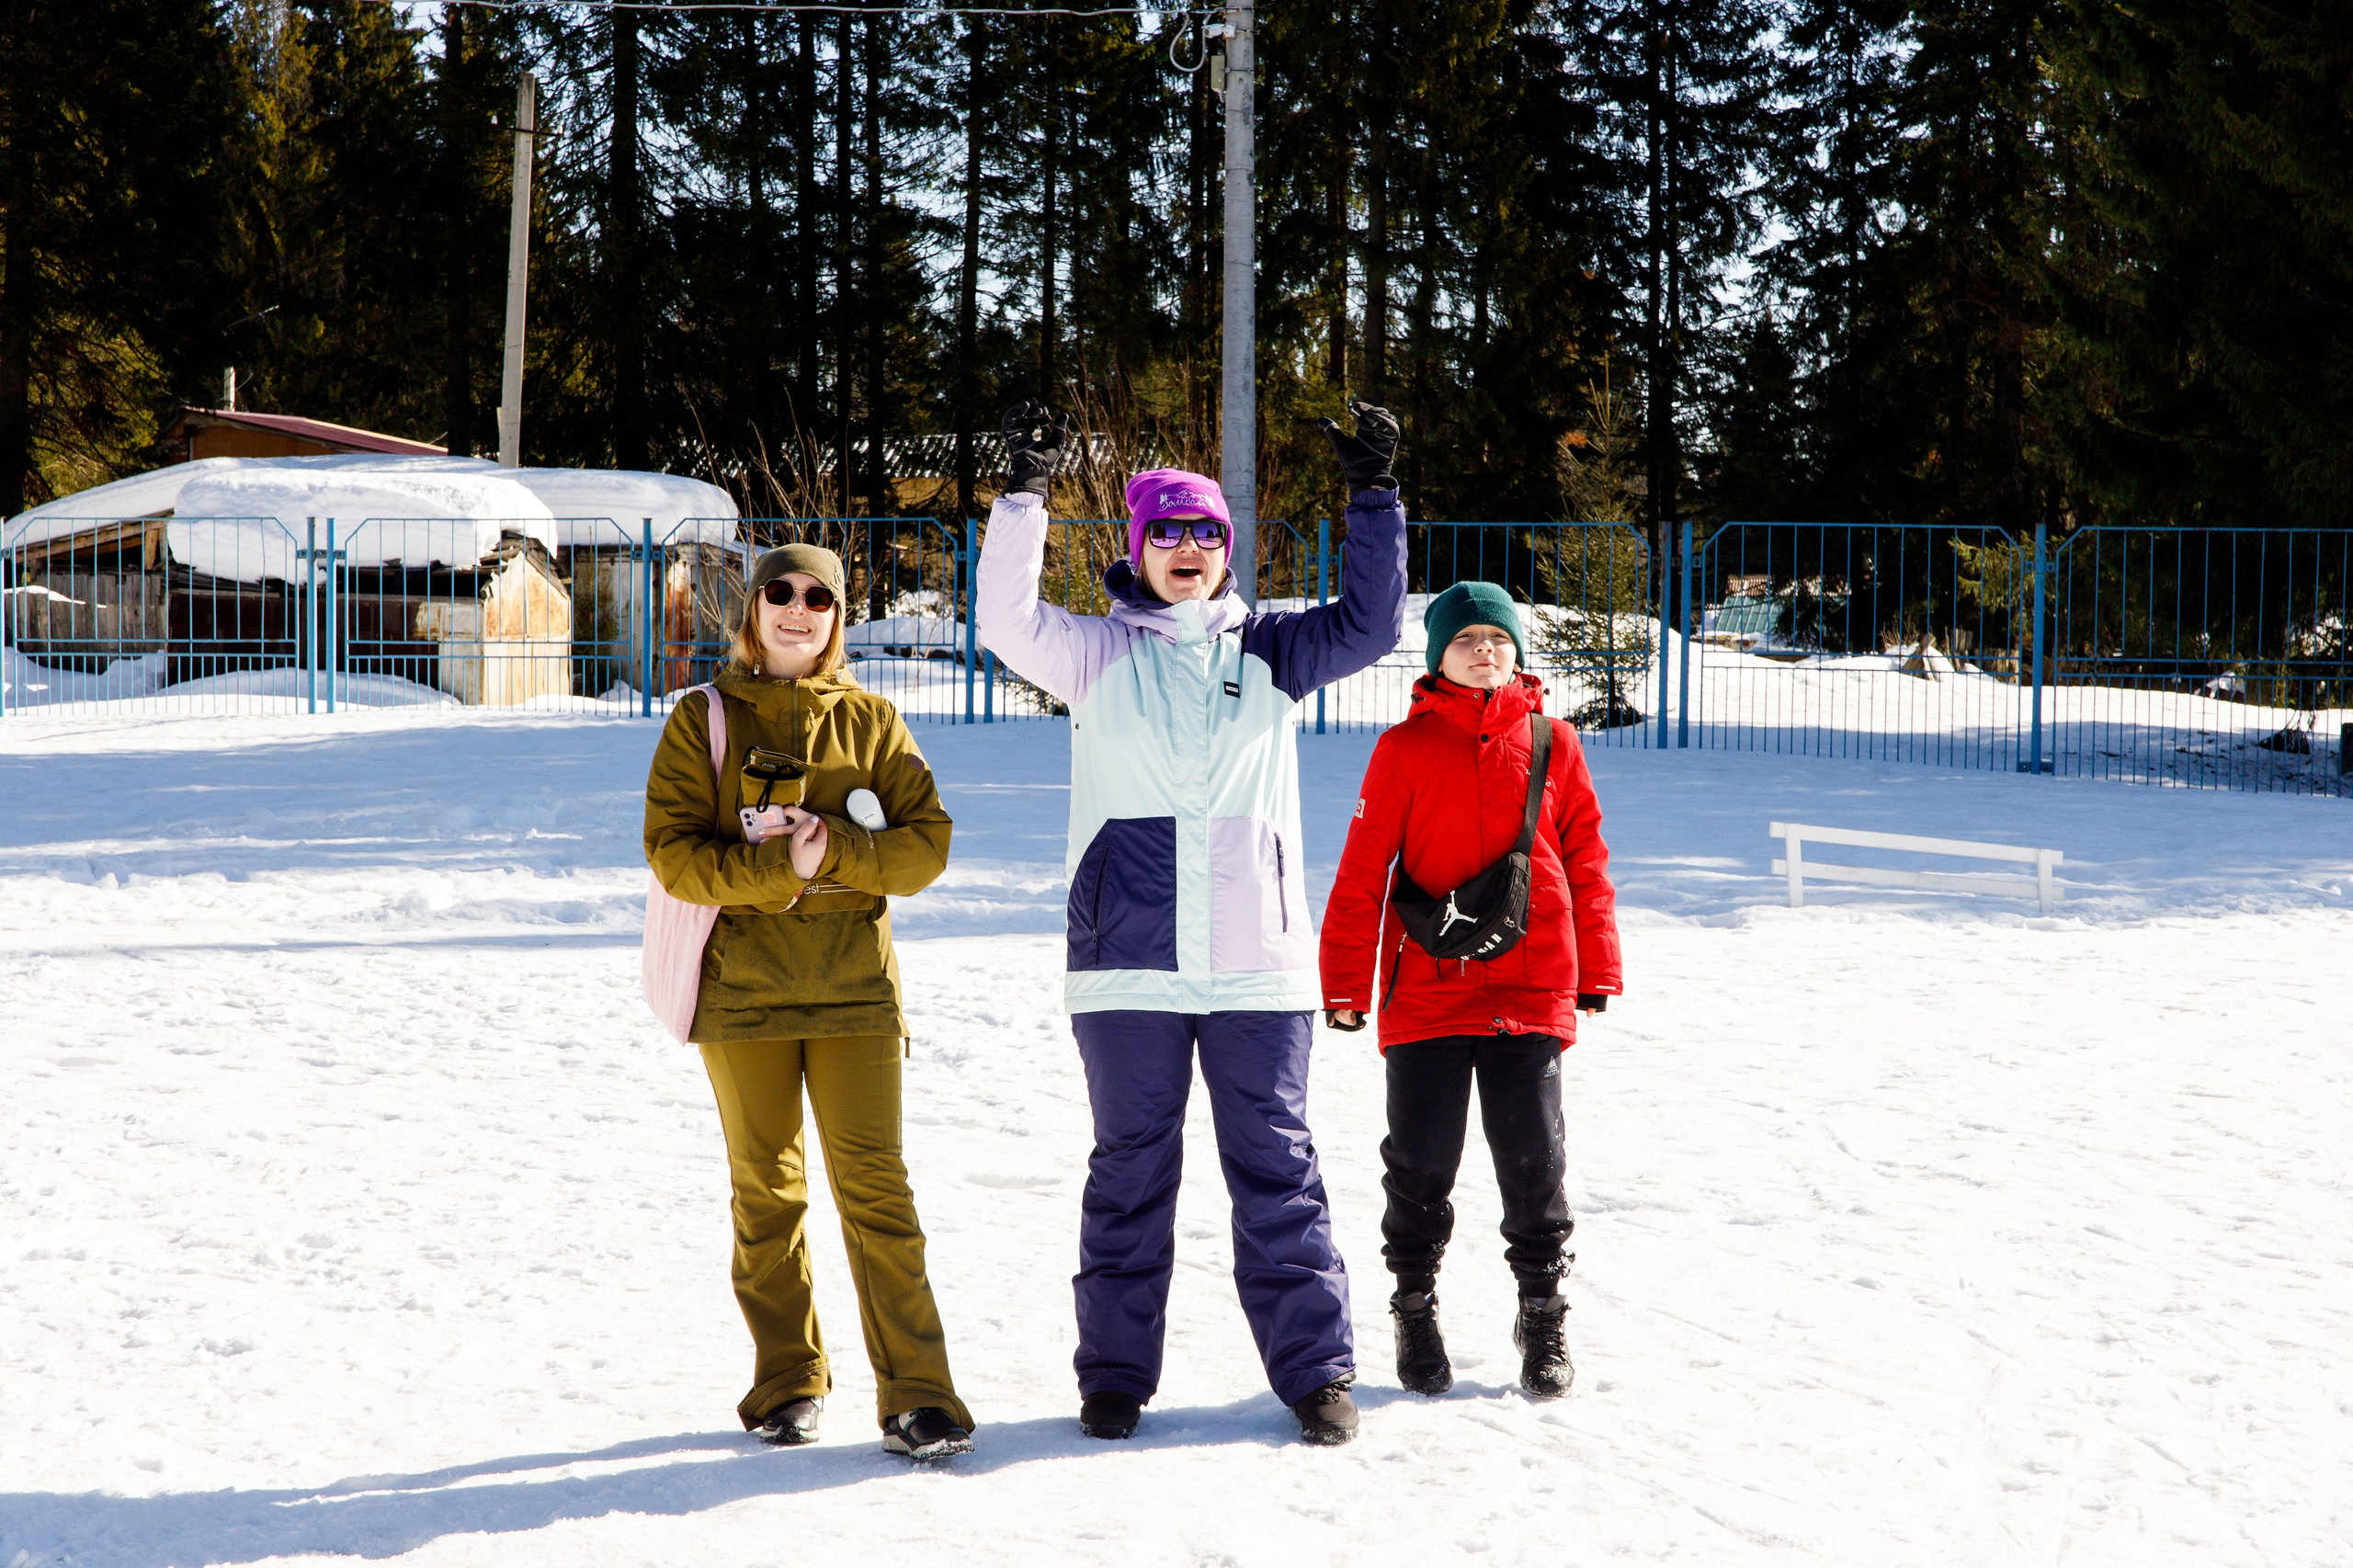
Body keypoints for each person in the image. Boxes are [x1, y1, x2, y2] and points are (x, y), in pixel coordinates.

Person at [976, 399, 1408, 1446]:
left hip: (1258, 966)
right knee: (1129, 1168)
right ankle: (1114, 1376)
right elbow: (1003, 620)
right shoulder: (1091, 654)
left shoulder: (1271, 650)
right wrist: (1022, 495)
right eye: (1165, 530)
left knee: (1278, 1167)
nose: (1186, 548)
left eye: (1206, 531)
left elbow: (1374, 623)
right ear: (1137, 548)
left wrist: (1374, 497)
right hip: (1124, 963)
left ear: (1228, 550)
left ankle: (1316, 1371)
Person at [642, 541, 976, 1460]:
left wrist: (835, 853)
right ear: (752, 611)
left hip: (854, 993)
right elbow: (673, 853)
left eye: (818, 597)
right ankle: (786, 1381)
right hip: (741, 995)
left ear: (837, 617)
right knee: (767, 1189)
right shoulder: (699, 718)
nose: (798, 610)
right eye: (779, 593)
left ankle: (919, 1393)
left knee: (877, 1190)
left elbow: (927, 846)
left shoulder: (871, 719)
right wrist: (771, 869)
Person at [1317, 581, 1622, 1401]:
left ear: (1517, 650)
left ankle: (1543, 1315)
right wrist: (1346, 983)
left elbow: (1586, 860)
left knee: (1535, 1168)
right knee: (1419, 1167)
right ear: (1438, 656)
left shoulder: (1555, 743)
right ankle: (1415, 1309)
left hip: (1531, 989)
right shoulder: (1402, 750)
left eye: (1498, 636)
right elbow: (1360, 875)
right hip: (1426, 993)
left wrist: (1596, 969)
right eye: (1466, 639)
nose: (1485, 649)